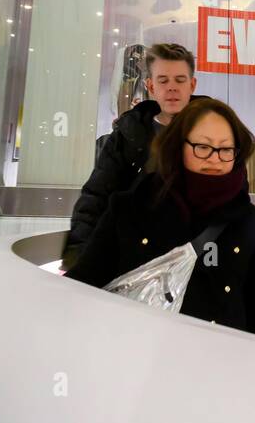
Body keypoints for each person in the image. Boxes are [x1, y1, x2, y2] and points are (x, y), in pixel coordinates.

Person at [66, 99, 255, 338]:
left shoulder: (248, 220)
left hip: (221, 364)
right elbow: (82, 285)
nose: (215, 158)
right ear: (178, 147)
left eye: (226, 149)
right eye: (203, 146)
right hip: (139, 358)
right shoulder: (130, 208)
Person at [63, 43, 203, 270]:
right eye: (163, 80)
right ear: (150, 86)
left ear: (192, 84)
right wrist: (78, 256)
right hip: (133, 261)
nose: (172, 88)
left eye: (180, 80)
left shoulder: (213, 132)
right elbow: (97, 195)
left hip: (196, 260)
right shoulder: (128, 134)